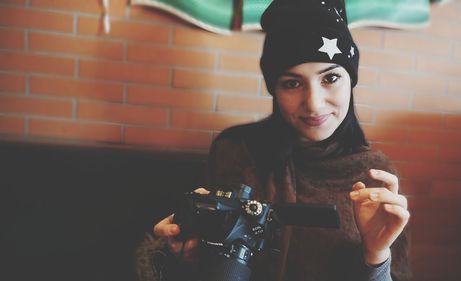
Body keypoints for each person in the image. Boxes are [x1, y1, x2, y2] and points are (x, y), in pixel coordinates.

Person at [138, 0, 411, 280]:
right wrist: (176, 251)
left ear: (350, 81)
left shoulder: (375, 174)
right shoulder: (236, 151)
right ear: (274, 89)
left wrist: (377, 257)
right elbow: (199, 262)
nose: (314, 104)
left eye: (330, 78)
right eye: (292, 83)